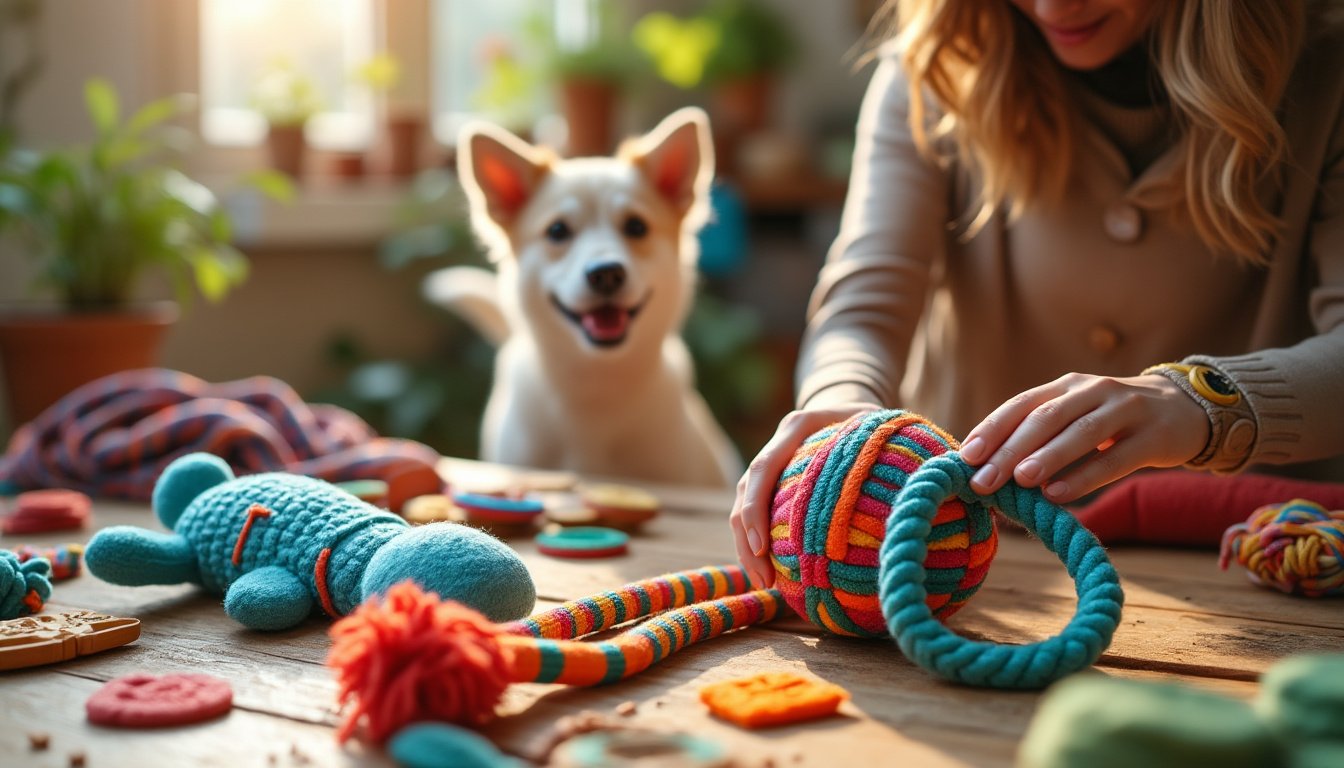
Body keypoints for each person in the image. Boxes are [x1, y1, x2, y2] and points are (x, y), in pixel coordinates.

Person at [730, 0, 1344, 588]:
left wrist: (1202, 404)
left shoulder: (1328, 72)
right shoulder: (936, 64)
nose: (1053, 6)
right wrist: (842, 404)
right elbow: (864, 302)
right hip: (955, 561)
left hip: (1253, 564)